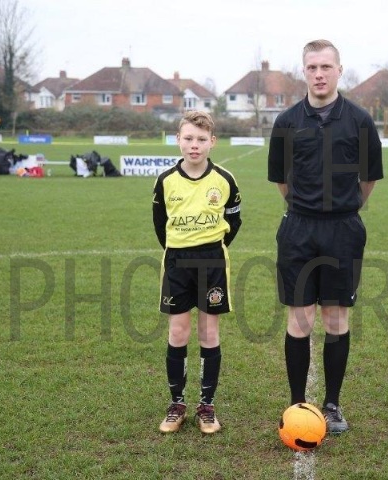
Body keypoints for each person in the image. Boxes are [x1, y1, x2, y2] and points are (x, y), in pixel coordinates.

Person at [267, 39, 383, 434]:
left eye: (326, 67)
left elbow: (368, 180)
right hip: (298, 229)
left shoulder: (360, 121)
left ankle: (332, 405)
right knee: (299, 319)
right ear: (304, 71)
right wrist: (307, 207)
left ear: (339, 70)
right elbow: (281, 180)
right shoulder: (286, 122)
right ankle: (297, 404)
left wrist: (341, 210)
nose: (319, 74)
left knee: (336, 318)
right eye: (312, 67)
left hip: (343, 230)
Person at [152, 110, 242, 434]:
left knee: (208, 333)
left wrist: (211, 246)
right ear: (178, 139)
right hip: (177, 261)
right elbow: (160, 225)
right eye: (188, 138)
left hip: (212, 260)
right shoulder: (165, 181)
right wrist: (181, 246)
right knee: (178, 332)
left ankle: (207, 406)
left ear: (212, 142)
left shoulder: (225, 180)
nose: (194, 145)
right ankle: (177, 404)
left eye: (201, 139)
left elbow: (234, 221)